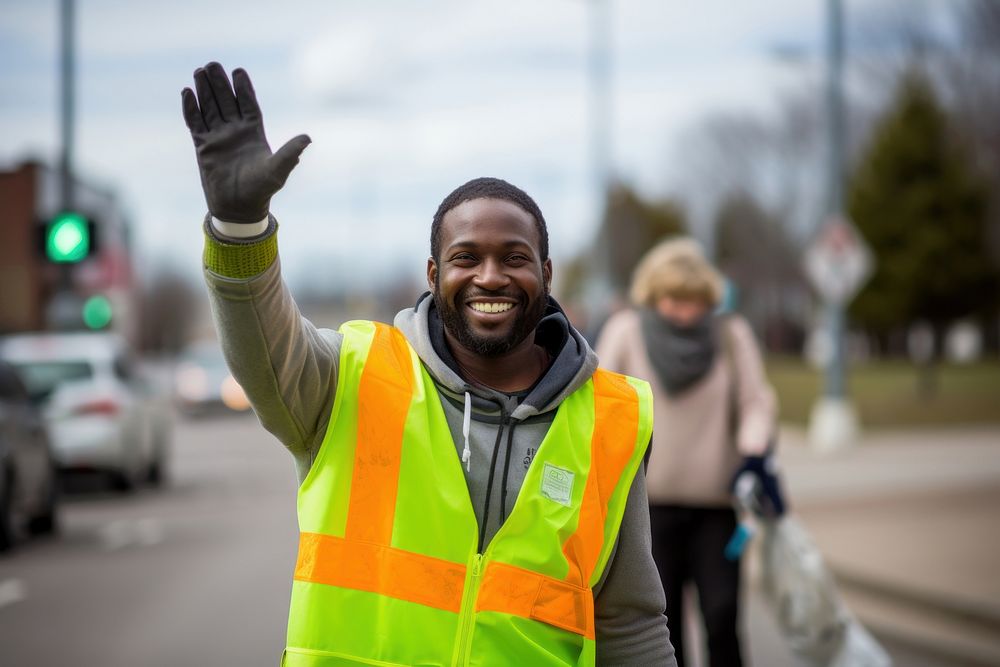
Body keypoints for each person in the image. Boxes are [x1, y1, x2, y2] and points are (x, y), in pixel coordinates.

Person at [181, 62, 676, 666]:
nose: (490, 276)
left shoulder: (612, 419)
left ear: (545, 277)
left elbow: (630, 624)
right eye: (466, 257)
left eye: (514, 257)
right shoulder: (352, 378)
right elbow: (264, 348)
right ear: (435, 275)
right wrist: (240, 229)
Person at [595, 237, 784, 667]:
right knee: (664, 626)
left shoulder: (731, 335)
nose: (684, 310)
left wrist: (753, 450)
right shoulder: (626, 331)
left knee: (722, 617)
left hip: (717, 508)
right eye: (673, 299)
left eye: (694, 300)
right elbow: (601, 402)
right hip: (646, 509)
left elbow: (756, 402)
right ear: (653, 295)